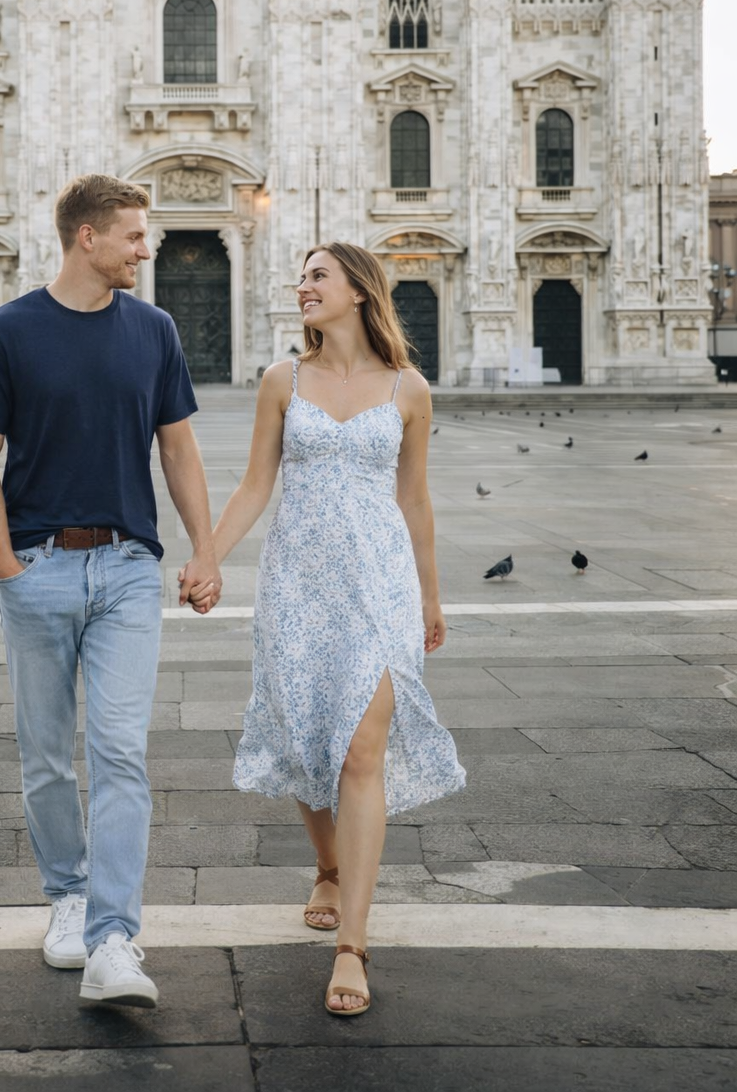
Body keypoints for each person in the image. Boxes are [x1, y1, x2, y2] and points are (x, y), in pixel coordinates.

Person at [0, 173, 222, 1009]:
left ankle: (113, 938)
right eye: (137, 237)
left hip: (128, 572)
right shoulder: (6, 331)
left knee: (118, 753)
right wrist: (7, 569)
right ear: (88, 238)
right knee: (45, 762)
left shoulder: (155, 329)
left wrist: (203, 550)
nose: (150, 250)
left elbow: (178, 450)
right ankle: (65, 896)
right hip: (39, 566)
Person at [188, 242, 465, 1016]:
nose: (301, 286)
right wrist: (209, 554)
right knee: (307, 738)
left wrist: (431, 599)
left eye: (316, 276)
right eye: (302, 275)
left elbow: (415, 501)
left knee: (360, 749)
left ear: (357, 291)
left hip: (380, 584)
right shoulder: (284, 380)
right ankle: (330, 865)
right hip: (299, 584)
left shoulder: (410, 389)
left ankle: (353, 944)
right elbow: (255, 484)